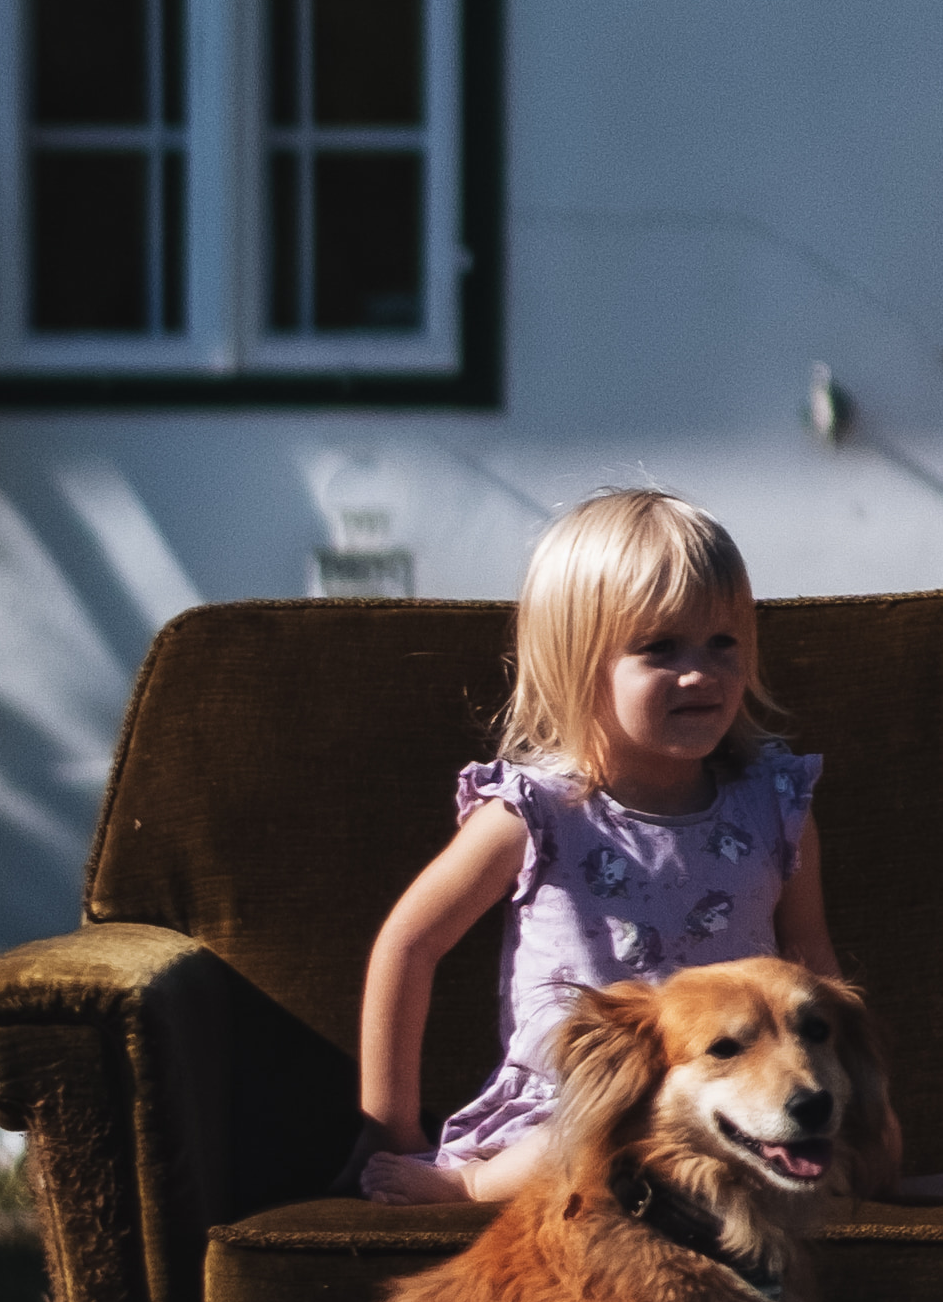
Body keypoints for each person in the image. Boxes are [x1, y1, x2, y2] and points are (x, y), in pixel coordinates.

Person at [348, 492, 833, 1206]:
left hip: (728, 1101)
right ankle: (471, 1184)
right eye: (660, 648)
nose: (701, 672)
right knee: (590, 1136)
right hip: (579, 1106)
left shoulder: (774, 806)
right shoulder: (536, 813)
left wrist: (842, 1084)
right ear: (580, 667)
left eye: (723, 643)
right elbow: (408, 946)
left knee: (821, 1143)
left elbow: (810, 958)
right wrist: (390, 1128)